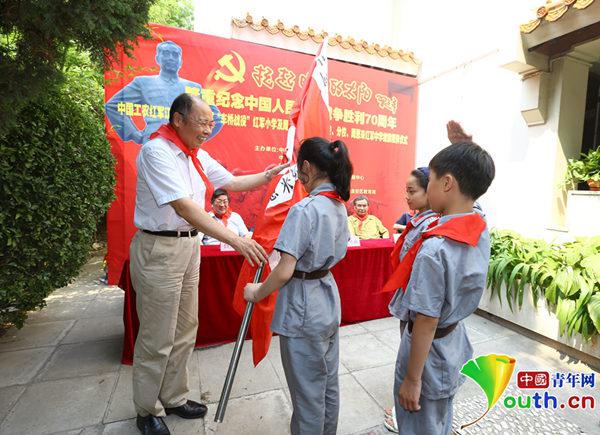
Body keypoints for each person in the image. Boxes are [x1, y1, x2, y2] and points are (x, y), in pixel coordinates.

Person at [130, 93, 287, 435]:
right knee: (157, 335)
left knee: (186, 328)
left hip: (189, 248)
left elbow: (231, 182)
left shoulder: (195, 155)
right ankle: (147, 409)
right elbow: (184, 208)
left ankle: (174, 396)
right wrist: (237, 240)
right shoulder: (156, 152)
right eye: (202, 123)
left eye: (210, 124)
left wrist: (269, 175)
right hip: (160, 248)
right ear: (178, 120)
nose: (207, 130)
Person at [243, 137, 353, 435]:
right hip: (326, 297)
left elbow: (284, 270)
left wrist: (257, 292)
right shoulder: (338, 205)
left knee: (307, 393)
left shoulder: (305, 209)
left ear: (307, 167)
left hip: (303, 304)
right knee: (327, 383)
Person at [393, 141, 495, 434]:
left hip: (429, 354)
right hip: (452, 343)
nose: (429, 188)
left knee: (420, 424)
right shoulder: (478, 226)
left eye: (432, 180)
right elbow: (474, 205)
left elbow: (426, 320)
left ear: (447, 183)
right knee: (439, 419)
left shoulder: (435, 249)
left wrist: (413, 379)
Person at [381, 167, 439, 432]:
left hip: (419, 306)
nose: (407, 196)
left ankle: (409, 408)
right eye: (406, 191)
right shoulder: (419, 220)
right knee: (409, 354)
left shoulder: (432, 226)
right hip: (409, 300)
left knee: (416, 362)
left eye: (412, 191)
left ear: (431, 191)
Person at [105, 40, 222, 145]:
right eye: (166, 53)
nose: (171, 58)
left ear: (181, 62)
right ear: (157, 58)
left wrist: (196, 139)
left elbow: (216, 118)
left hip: (182, 146)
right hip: (154, 143)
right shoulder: (143, 83)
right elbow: (113, 106)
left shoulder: (194, 87)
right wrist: (132, 133)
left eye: (175, 55)